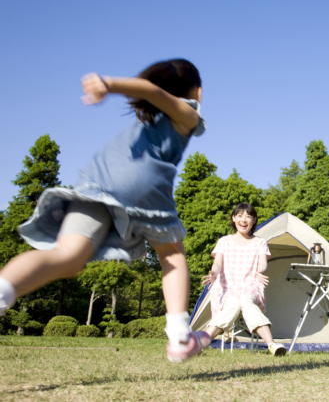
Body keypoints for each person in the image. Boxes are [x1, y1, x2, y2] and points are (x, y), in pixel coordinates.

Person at [0, 59, 211, 362]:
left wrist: (114, 87)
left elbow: (152, 93)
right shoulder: (186, 115)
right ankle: (180, 338)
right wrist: (109, 83)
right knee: (172, 254)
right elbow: (154, 92)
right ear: (198, 92)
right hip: (141, 186)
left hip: (95, 182)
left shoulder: (145, 121)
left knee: (68, 258)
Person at [201, 203, 286, 356]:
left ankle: (272, 345)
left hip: (251, 284)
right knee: (233, 304)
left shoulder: (260, 242)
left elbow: (262, 263)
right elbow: (218, 262)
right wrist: (214, 273)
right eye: (240, 215)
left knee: (246, 301)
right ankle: (201, 345)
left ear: (254, 220)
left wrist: (260, 272)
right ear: (234, 219)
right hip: (227, 287)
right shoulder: (224, 241)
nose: (244, 219)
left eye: (248, 216)